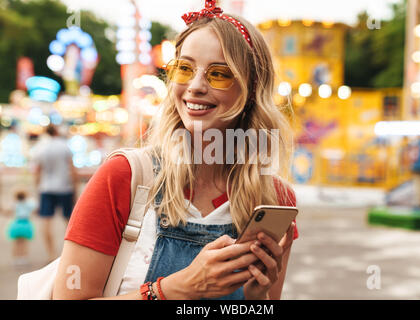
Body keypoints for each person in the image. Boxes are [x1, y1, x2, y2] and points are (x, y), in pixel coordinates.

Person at [53, 0, 299, 300]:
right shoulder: (125, 177)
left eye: (218, 73)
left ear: (251, 89)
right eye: (184, 68)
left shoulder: (275, 199)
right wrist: (172, 290)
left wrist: (256, 297)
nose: (195, 86)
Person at [33, 124, 77, 261]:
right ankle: (70, 254)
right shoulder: (64, 146)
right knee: (69, 222)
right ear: (57, 131)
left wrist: (37, 190)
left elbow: (37, 172)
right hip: (64, 187)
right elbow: (72, 169)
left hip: (46, 188)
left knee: (46, 222)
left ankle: (51, 254)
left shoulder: (40, 148)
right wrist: (75, 188)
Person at [7, 191, 36, 268]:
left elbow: (8, 211)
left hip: (16, 224)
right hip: (26, 224)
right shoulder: (29, 204)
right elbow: (35, 208)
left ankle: (16, 258)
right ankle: (24, 258)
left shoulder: (15, 204)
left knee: (16, 243)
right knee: (24, 242)